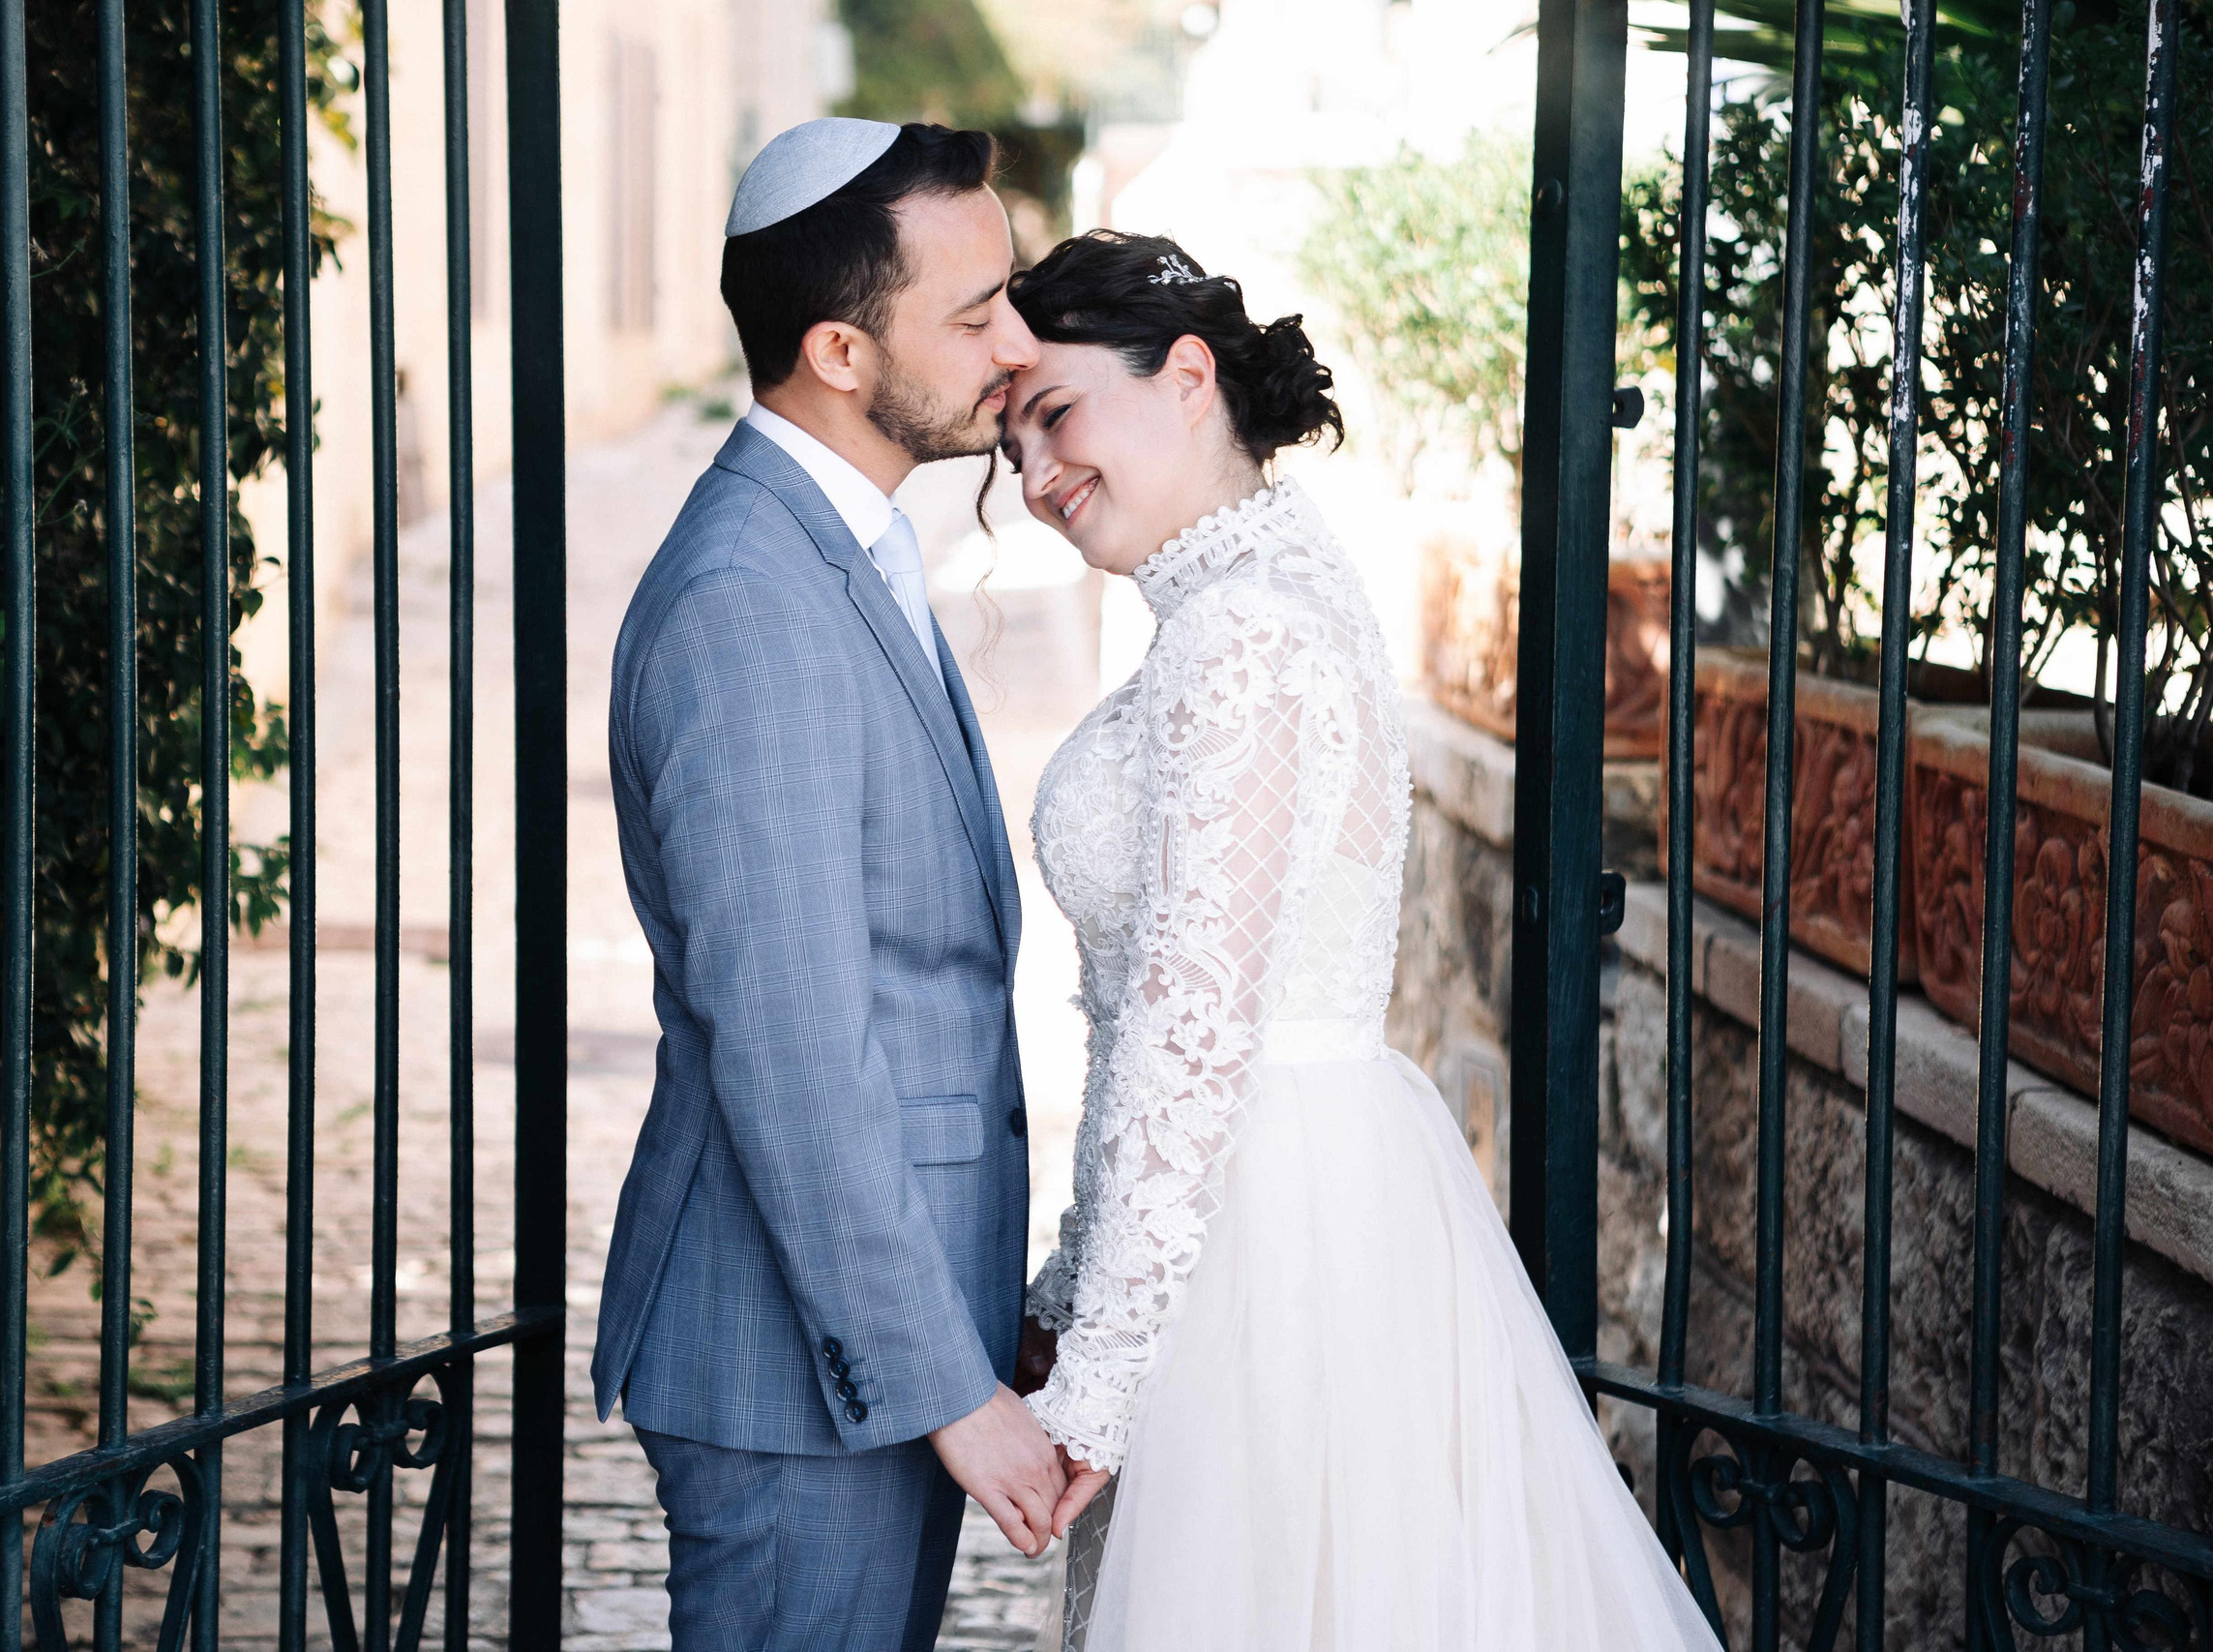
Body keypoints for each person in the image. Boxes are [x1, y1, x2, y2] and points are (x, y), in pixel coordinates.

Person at [997, 229, 1724, 1651]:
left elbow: (1195, 1029)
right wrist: (1078, 1288)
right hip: (1289, 1197)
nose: (1033, 480)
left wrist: (1102, 1376)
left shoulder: (1243, 635)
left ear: (1188, 375)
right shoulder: (1267, 590)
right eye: (1008, 450)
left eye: (1056, 417)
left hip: (1263, 1233)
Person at [594, 119, 1062, 1650]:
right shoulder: (751, 599)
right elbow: (794, 1046)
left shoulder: (841, 545)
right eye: (975, 312)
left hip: (861, 1345)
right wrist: (942, 1383)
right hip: (795, 1374)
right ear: (842, 354)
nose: (1019, 341)